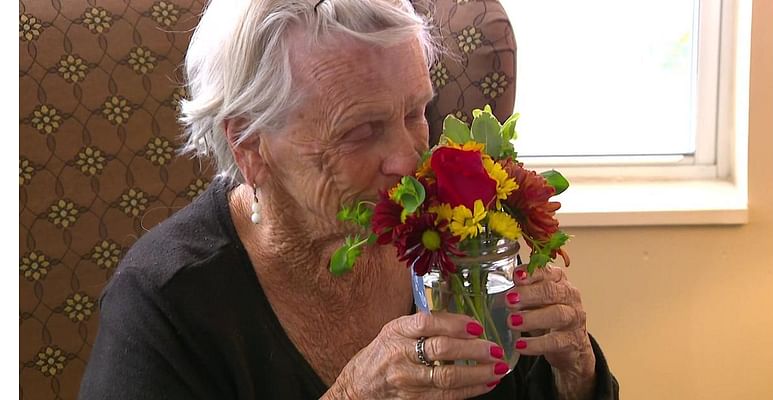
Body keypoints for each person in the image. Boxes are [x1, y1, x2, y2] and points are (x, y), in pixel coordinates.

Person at [79, 0, 619, 399]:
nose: (409, 160)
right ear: (251, 149)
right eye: (362, 131)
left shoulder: (453, 221)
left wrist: (577, 375)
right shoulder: (165, 304)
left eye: (415, 113)